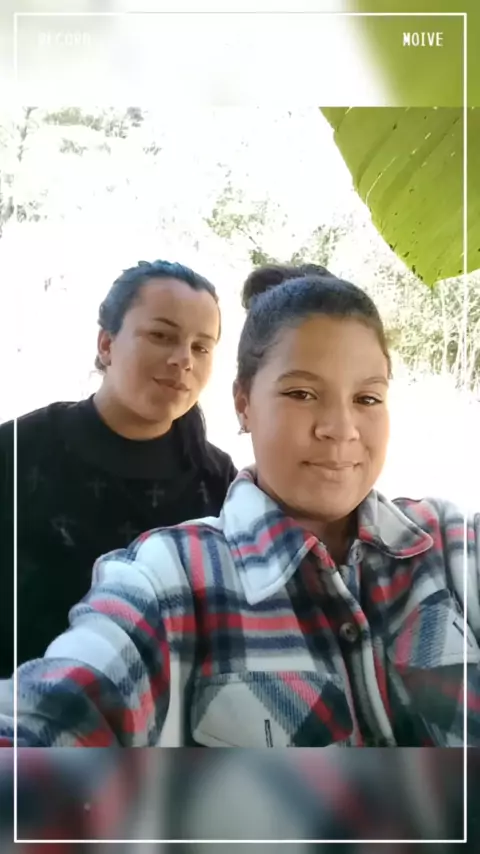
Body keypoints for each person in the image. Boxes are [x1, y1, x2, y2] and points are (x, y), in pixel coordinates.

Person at [2, 264, 479, 748]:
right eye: (301, 393)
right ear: (243, 403)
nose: (340, 428)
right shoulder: (158, 576)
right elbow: (54, 716)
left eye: (368, 398)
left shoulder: (453, 549)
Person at [0, 259, 237, 678]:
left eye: (201, 347)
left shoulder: (218, 480)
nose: (184, 359)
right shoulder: (18, 450)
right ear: (106, 344)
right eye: (162, 336)